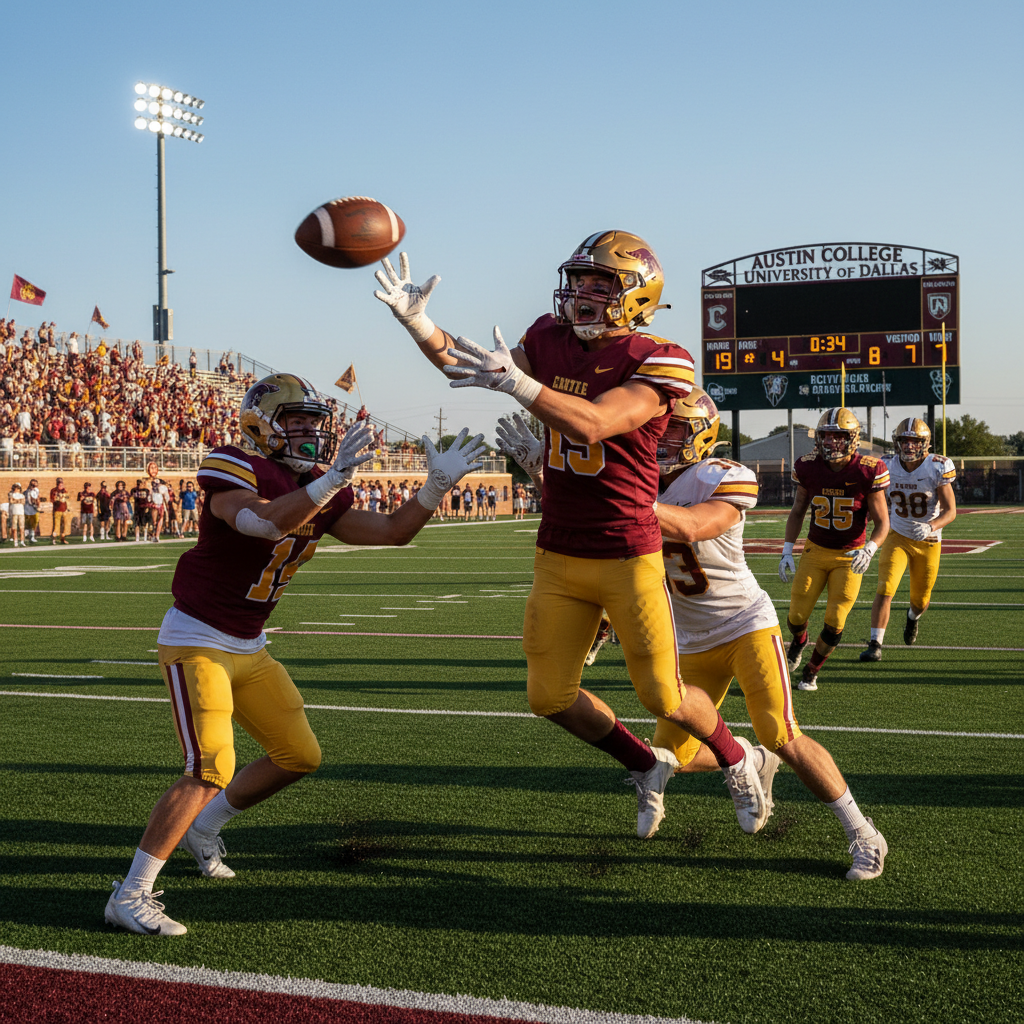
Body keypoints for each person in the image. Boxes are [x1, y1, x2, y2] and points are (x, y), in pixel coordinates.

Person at [375, 235, 767, 835]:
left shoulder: (662, 355)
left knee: (663, 694)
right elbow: (470, 363)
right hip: (559, 547)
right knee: (548, 696)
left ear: (638, 295)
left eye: (601, 284)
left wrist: (520, 386)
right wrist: (418, 322)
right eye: (580, 281)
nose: (583, 294)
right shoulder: (549, 338)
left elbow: (598, 422)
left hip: (627, 549)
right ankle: (645, 766)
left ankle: (741, 759)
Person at [104, 373, 486, 937]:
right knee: (211, 766)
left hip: (251, 645)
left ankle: (204, 828)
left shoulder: (322, 487)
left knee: (298, 755)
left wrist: (433, 489)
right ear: (261, 423)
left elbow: (389, 532)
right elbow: (258, 523)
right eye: (296, 420)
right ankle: (131, 893)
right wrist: (330, 480)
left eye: (314, 421)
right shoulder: (235, 463)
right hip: (197, 637)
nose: (310, 431)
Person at [778, 409, 889, 691]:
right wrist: (787, 549)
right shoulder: (807, 465)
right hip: (816, 550)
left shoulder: (868, 469)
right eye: (826, 435)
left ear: (852, 438)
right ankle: (800, 641)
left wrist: (870, 549)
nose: (831, 442)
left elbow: (882, 522)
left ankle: (811, 671)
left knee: (835, 619)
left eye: (838, 436)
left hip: (849, 556)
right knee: (796, 615)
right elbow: (798, 509)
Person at [860, 418, 957, 661]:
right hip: (897, 536)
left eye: (915, 441)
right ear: (897, 442)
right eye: (905, 440)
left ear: (925, 443)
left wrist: (931, 526)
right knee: (885, 588)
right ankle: (875, 643)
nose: (909, 446)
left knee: (920, 600)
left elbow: (950, 511)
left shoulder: (937, 466)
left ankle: (912, 618)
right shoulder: (886, 466)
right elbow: (877, 503)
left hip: (929, 541)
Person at [49, 477, 70, 544]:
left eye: (62, 483)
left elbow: (67, 498)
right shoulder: (54, 490)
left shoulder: (65, 490)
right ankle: (54, 539)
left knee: (64, 525)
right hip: (57, 510)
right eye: (59, 484)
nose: (61, 485)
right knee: (56, 525)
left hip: (64, 510)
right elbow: (52, 500)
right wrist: (57, 498)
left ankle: (62, 539)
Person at [7, 483, 25, 547]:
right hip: (14, 512)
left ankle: (22, 541)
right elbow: (11, 501)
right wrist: (18, 501)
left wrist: (17, 500)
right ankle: (15, 541)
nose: (16, 490)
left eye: (18, 488)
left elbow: (23, 502)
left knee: (21, 527)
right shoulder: (11, 494)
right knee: (14, 528)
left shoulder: (22, 495)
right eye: (15, 488)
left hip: (21, 512)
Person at [24, 479, 39, 544]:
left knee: (34, 522)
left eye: (35, 484)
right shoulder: (27, 492)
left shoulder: (37, 491)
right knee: (28, 522)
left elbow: (37, 499)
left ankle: (32, 536)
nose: (33, 486)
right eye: (32, 484)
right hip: (27, 508)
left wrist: (38, 505)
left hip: (34, 508)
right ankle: (26, 535)